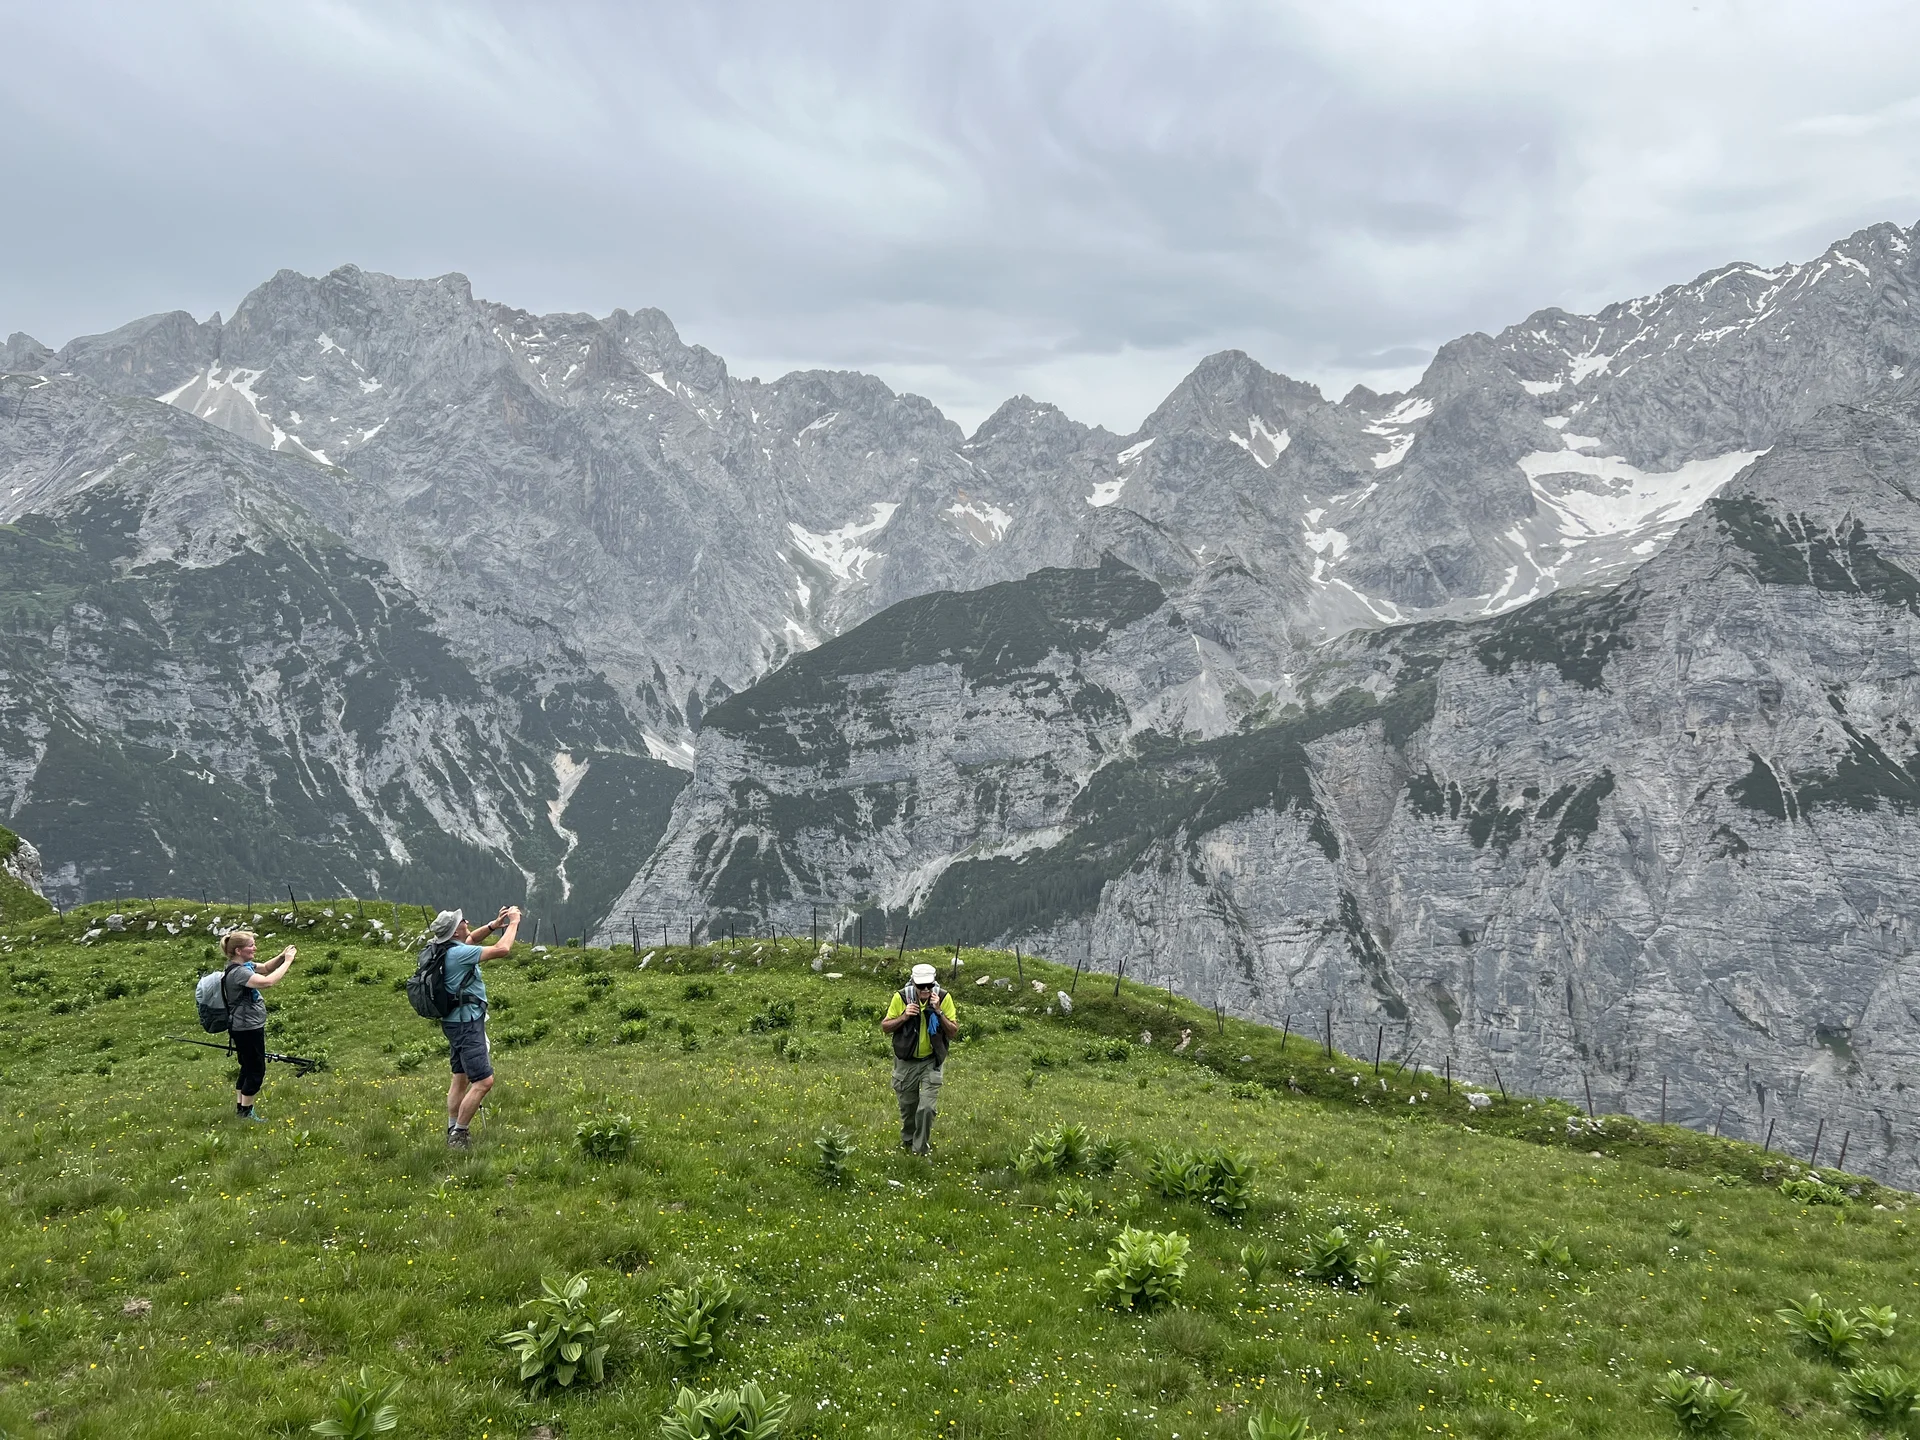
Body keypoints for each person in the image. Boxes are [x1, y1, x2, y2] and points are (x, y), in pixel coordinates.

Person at [430, 904, 520, 1149]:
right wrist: (513, 923)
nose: (465, 921)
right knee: (483, 1081)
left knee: (460, 1078)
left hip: (453, 1022)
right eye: (461, 922)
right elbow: (503, 949)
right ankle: (459, 1135)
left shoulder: (441, 948)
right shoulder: (459, 954)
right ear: (454, 932)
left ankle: (452, 1127)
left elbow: (470, 938)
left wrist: (493, 925)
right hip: (467, 1023)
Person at [880, 961, 960, 1155]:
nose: (925, 990)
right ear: (913, 984)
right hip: (906, 1061)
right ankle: (908, 1140)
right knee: (908, 1108)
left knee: (926, 1109)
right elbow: (885, 1026)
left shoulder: (943, 998)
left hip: (931, 1061)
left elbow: (953, 1031)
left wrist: (939, 1012)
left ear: (934, 983)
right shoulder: (901, 998)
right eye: (921, 986)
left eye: (929, 985)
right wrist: (904, 1016)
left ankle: (919, 1150)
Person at [219, 930, 295, 1121]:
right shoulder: (239, 973)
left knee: (247, 1066)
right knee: (256, 1069)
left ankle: (241, 1108)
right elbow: (267, 981)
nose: (255, 948)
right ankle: (246, 1112)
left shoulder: (245, 966)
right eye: (251, 945)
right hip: (247, 1027)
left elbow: (266, 968)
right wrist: (287, 962)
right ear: (238, 950)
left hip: (243, 1026)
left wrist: (281, 955)